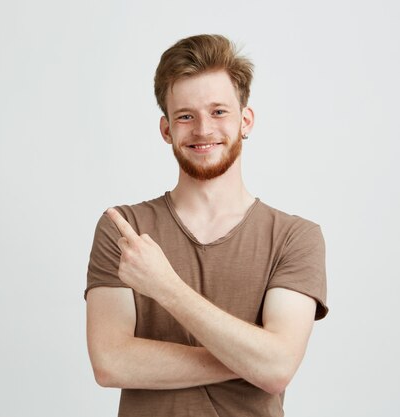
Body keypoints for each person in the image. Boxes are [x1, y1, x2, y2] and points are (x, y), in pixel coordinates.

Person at [84, 34, 328, 417]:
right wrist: (252, 360)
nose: (202, 129)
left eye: (218, 112)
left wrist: (166, 287)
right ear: (166, 130)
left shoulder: (295, 237)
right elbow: (110, 362)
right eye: (185, 116)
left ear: (245, 120)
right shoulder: (124, 228)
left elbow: (278, 368)